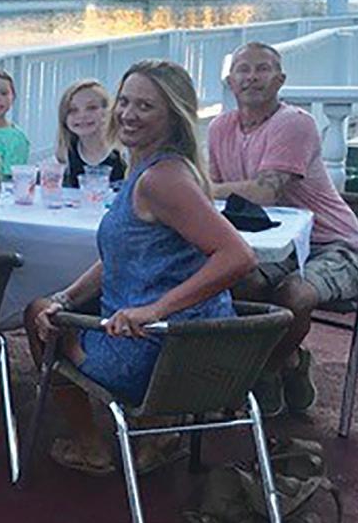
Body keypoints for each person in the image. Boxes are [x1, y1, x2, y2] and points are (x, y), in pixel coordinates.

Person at [24, 60, 255, 476]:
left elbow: (238, 255)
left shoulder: (160, 180)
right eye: (125, 102)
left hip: (149, 353)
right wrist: (67, 297)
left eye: (145, 106)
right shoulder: (169, 168)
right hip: (200, 347)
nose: (128, 114)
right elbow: (123, 256)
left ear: (173, 116)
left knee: (36, 313)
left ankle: (90, 445)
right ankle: (156, 432)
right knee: (54, 305)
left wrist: (154, 310)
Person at [208, 41, 358, 417]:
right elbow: (216, 198)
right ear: (231, 82)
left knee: (294, 295)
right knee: (238, 282)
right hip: (270, 244)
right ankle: (290, 359)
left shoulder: (294, 123)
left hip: (332, 244)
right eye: (243, 70)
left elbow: (265, 192)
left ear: (280, 80)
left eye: (262, 69)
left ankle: (266, 369)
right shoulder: (220, 128)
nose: (252, 77)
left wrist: (201, 189)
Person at [55, 78, 126, 188]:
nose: (82, 115)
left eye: (91, 108)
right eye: (73, 110)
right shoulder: (66, 153)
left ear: (108, 111)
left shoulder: (124, 153)